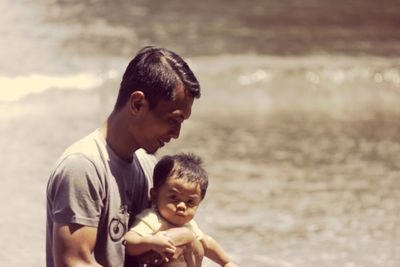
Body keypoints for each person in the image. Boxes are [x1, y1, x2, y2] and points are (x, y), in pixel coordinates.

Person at [46, 46, 201, 267]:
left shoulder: (148, 167)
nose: (176, 134)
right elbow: (75, 262)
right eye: (173, 120)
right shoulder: (82, 167)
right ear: (138, 104)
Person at [124, 153, 238, 267]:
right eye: (174, 197)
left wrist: (226, 262)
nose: (182, 206)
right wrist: (151, 242)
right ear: (154, 196)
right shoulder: (152, 219)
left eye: (190, 202)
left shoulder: (189, 225)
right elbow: (129, 242)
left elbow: (206, 242)